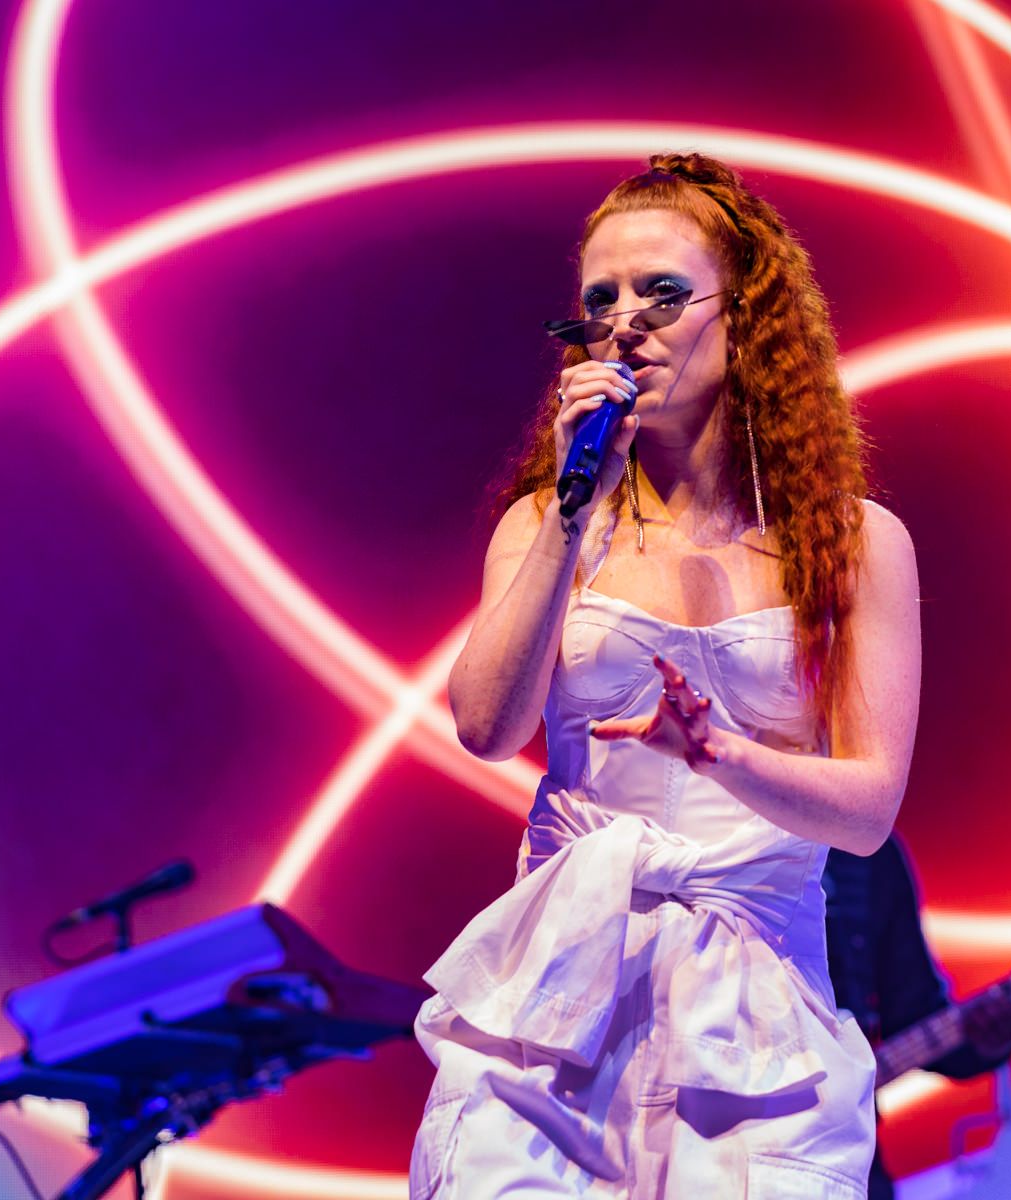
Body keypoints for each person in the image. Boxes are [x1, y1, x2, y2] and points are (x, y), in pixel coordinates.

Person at [409, 152, 922, 1199]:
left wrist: (721, 752)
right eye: (601, 299)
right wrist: (570, 510)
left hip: (757, 1009)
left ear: (748, 320)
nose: (626, 320)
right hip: (556, 994)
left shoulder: (858, 545)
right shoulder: (546, 522)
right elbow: (486, 725)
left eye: (662, 292)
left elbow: (868, 811)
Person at [823, 835, 1011, 1199]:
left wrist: (986, 1036)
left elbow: (911, 1010)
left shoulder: (864, 846)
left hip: (846, 1158)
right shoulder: (698, 822)